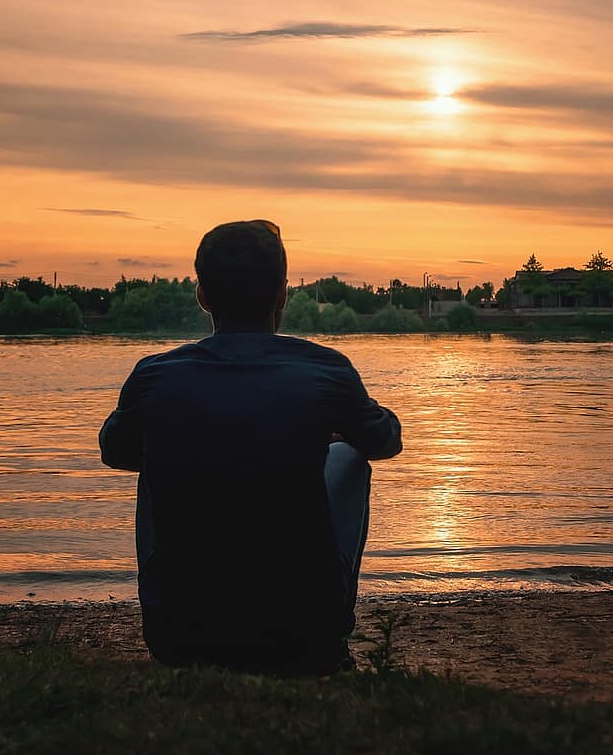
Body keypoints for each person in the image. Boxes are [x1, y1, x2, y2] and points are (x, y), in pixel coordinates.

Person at [99, 219, 402, 675]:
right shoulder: (326, 368)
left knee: (152, 458)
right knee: (348, 456)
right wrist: (324, 431)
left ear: (202, 296)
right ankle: (332, 635)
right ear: (283, 293)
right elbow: (386, 440)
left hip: (179, 637)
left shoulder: (155, 374)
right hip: (303, 639)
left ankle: (178, 603)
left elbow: (114, 450)